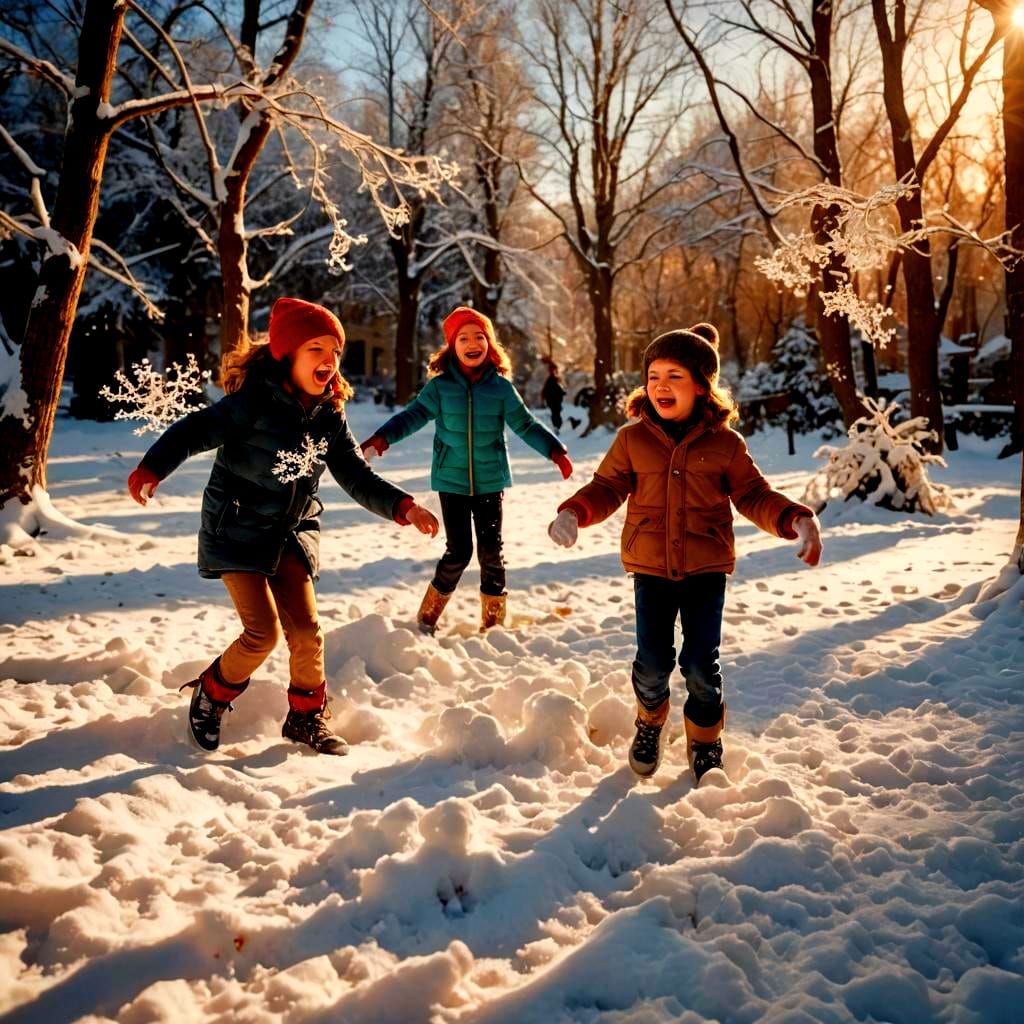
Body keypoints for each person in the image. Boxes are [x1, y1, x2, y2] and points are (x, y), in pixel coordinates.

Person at [127, 297, 439, 755]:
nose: (329, 361)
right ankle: (211, 694)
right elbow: (195, 430)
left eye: (334, 351)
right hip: (236, 529)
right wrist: (152, 468)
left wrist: (404, 507)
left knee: (307, 631)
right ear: (287, 354)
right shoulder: (251, 403)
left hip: (290, 533)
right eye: (316, 349)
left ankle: (306, 718)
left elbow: (355, 475)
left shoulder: (330, 414)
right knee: (263, 634)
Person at [547, 323, 822, 785]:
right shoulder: (633, 439)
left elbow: (754, 494)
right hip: (651, 567)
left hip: (705, 568)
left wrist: (794, 518)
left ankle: (705, 737)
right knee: (652, 662)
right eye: (653, 375)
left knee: (699, 664)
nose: (660, 386)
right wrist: (575, 511)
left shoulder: (725, 445)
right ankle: (650, 722)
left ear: (701, 385)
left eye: (674, 376)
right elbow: (608, 486)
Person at [361, 306, 572, 633]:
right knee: (459, 552)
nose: (473, 343)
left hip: (490, 481)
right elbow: (411, 416)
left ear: (489, 343)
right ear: (452, 346)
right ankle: (428, 615)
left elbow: (525, 425)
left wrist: (555, 451)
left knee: (491, 553)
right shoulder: (440, 388)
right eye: (464, 337)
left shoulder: (500, 388)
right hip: (452, 481)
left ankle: (494, 624)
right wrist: (380, 440)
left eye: (479, 336)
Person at [541, 360, 567, 434]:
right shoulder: (551, 379)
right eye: (553, 369)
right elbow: (545, 391)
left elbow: (559, 389)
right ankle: (557, 427)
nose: (554, 371)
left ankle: (557, 427)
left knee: (556, 413)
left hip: (555, 401)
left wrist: (562, 392)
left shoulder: (555, 379)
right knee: (555, 414)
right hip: (553, 401)